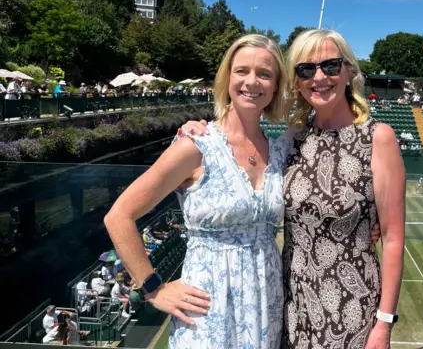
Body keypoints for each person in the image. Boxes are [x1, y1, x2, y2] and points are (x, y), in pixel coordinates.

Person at [177, 30, 400, 348]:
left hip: (351, 308)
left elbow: (392, 238)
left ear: (350, 71)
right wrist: (193, 129)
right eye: (306, 69)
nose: (319, 77)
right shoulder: (292, 140)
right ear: (296, 81)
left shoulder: (378, 138)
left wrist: (384, 324)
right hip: (289, 306)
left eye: (331, 66)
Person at [104, 35, 289, 348]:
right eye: (242, 70)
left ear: (275, 87)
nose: (252, 82)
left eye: (265, 74)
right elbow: (119, 216)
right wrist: (153, 288)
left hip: (266, 303)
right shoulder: (195, 146)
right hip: (207, 307)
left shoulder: (280, 150)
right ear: (227, 78)